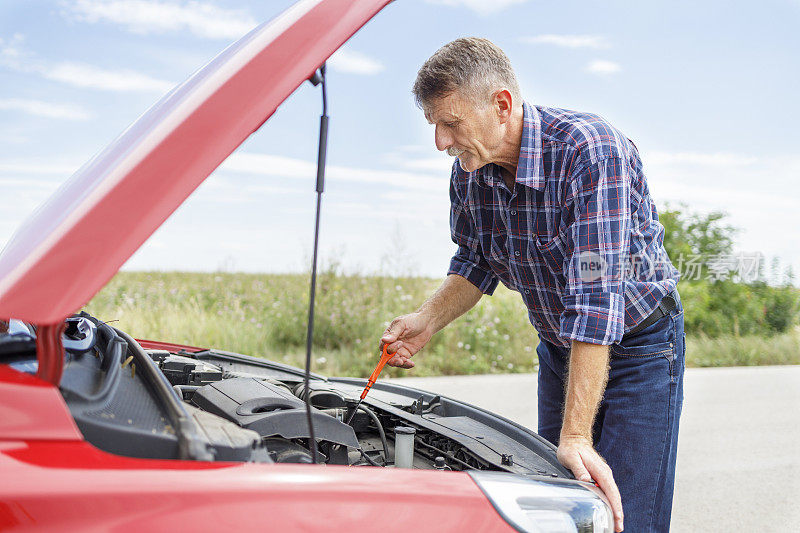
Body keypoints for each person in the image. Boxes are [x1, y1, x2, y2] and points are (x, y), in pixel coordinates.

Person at [380, 37, 683, 532]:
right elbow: (477, 260)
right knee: (562, 511)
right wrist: (424, 322)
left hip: (638, 347)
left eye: (450, 123)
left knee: (626, 515)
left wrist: (577, 433)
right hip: (563, 347)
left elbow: (595, 298)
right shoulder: (470, 171)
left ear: (501, 104)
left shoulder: (589, 152)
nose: (440, 140)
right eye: (434, 125)